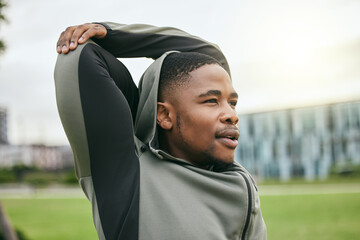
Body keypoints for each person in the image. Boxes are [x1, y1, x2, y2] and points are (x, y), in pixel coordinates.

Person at [54, 22, 266, 240]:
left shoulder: (236, 181)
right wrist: (112, 35)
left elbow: (209, 57)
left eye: (232, 102)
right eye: (211, 101)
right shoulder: (125, 172)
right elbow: (76, 54)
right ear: (164, 115)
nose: (232, 115)